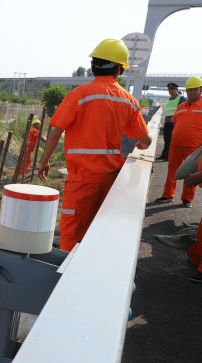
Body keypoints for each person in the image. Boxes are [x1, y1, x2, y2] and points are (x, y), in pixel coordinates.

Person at [38, 38, 151, 251]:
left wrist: (44, 162)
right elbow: (145, 140)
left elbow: (56, 132)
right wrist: (143, 146)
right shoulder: (128, 100)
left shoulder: (79, 95)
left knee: (71, 234)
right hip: (111, 180)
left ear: (93, 66)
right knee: (99, 231)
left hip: (82, 180)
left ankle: (65, 278)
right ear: (119, 69)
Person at [154, 76, 202, 208]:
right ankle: (168, 195)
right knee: (172, 171)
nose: (192, 92)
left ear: (201, 90)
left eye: (195, 90)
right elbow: (175, 123)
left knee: (190, 173)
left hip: (193, 147)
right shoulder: (181, 106)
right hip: (176, 145)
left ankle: (187, 198)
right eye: (189, 90)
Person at [156, 82, 186, 161]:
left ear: (177, 90)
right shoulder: (169, 99)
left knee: (172, 140)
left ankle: (168, 156)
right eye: (169, 89)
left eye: (172, 89)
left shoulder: (181, 99)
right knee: (167, 139)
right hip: (167, 122)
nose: (171, 91)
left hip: (175, 123)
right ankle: (165, 154)